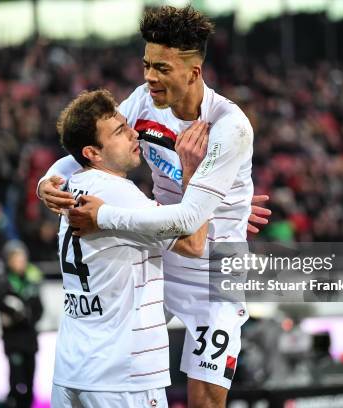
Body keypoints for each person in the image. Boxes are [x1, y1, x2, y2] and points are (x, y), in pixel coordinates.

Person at [38, 6, 272, 407]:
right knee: (122, 358)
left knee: (207, 400)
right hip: (162, 250)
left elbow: (192, 222)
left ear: (192, 73)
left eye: (162, 68)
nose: (149, 76)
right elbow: (87, 151)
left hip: (215, 269)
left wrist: (103, 216)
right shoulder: (144, 102)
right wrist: (46, 181)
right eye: (146, 64)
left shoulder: (229, 127)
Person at [51, 89, 209, 407]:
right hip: (122, 377)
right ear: (93, 153)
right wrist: (196, 172)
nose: (134, 133)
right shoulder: (117, 193)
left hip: (71, 370)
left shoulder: (72, 184)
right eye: (120, 132)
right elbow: (193, 243)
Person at [0, 240, 44, 408]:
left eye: (22, 258)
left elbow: (39, 308)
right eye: (16, 258)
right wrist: (17, 314)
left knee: (29, 379)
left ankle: (27, 402)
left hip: (29, 337)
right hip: (13, 339)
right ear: (9, 260)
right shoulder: (3, 281)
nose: (20, 262)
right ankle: (14, 401)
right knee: (16, 378)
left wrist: (27, 316)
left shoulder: (32, 279)